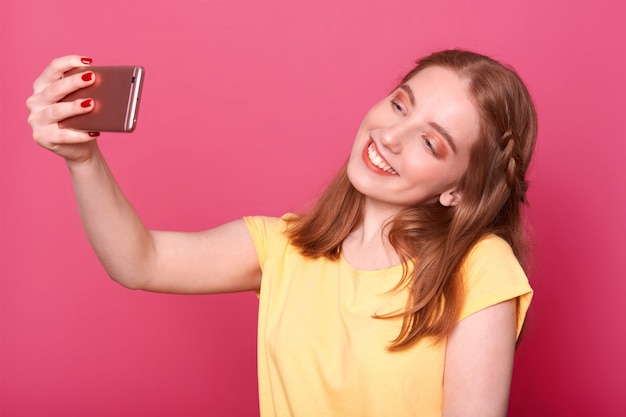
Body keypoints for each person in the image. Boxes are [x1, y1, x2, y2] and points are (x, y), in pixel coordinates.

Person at [26, 49, 537, 417]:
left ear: (459, 192)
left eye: (430, 142)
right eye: (400, 105)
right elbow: (140, 261)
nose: (391, 136)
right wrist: (83, 158)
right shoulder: (285, 248)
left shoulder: (480, 267)